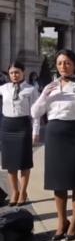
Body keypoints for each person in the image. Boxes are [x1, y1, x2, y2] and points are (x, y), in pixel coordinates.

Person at [31, 49, 75, 241]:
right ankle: (62, 221)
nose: (63, 66)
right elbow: (35, 112)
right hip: (54, 134)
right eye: (60, 63)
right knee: (57, 181)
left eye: (67, 62)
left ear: (74, 65)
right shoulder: (50, 86)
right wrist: (45, 96)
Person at [1, 62, 39, 207]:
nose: (14, 75)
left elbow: (36, 113)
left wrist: (35, 131)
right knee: (10, 163)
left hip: (23, 125)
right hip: (7, 126)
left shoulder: (31, 89)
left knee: (23, 162)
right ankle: (14, 192)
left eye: (17, 72)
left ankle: (23, 192)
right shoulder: (4, 88)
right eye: (11, 73)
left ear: (23, 72)